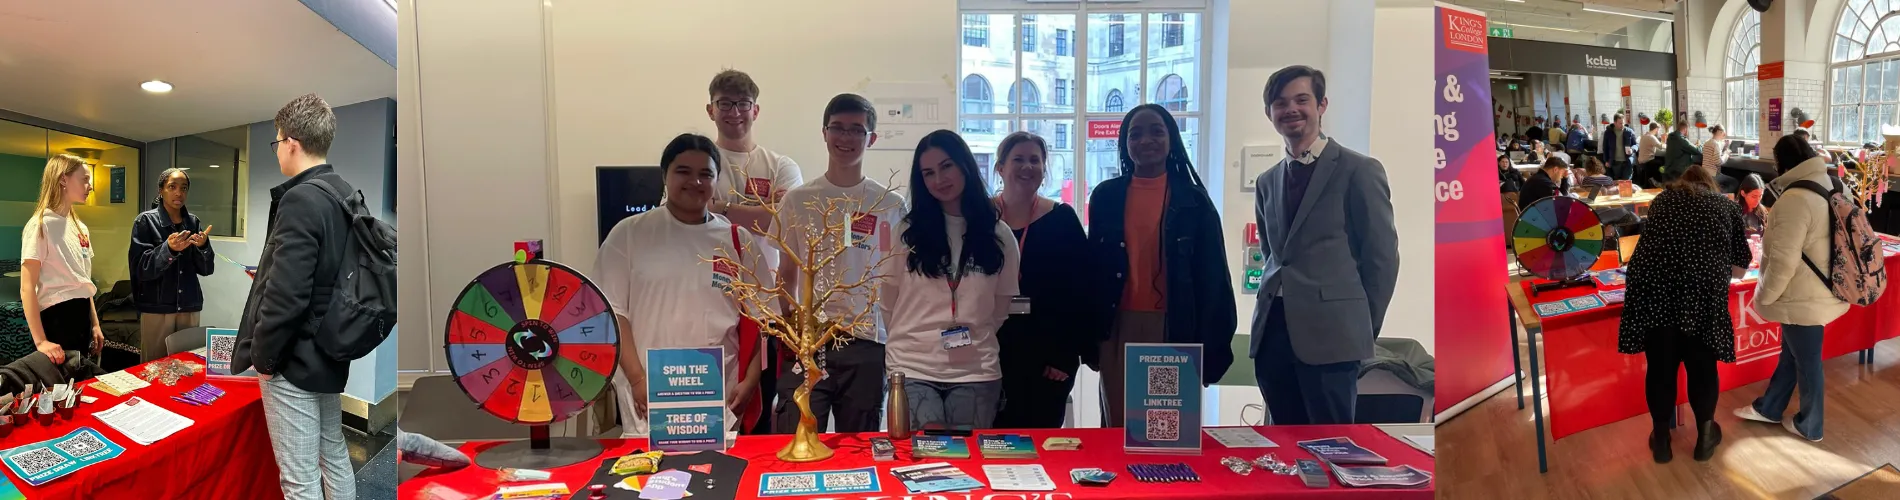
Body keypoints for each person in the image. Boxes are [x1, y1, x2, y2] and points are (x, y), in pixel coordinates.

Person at [596, 133, 772, 439]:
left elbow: (763, 318)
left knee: (718, 477)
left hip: (720, 392)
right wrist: (638, 381)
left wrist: (751, 380)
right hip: (649, 395)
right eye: (683, 172)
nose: (695, 181)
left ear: (717, 181)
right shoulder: (629, 234)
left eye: (706, 174)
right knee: (651, 481)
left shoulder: (737, 240)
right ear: (665, 175)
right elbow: (612, 313)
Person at [1247, 66, 1395, 425]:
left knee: (1333, 448)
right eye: (1280, 103)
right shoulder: (1268, 181)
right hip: (1273, 335)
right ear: (1270, 113)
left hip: (1333, 337)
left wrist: (1359, 326)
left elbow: (1382, 259)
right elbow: (1273, 256)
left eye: (1302, 99)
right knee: (1284, 444)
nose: (1291, 109)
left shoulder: (1359, 170)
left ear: (1322, 105)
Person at [231, 94, 357, 499]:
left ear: (291, 143)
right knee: (333, 452)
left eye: (277, 142)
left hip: (294, 357)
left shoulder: (301, 198)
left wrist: (264, 360)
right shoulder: (343, 191)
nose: (278, 151)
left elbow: (288, 297)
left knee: (299, 476)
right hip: (329, 347)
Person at [1085, 103, 1235, 427]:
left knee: (1163, 428)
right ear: (1125, 143)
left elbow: (1214, 279)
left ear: (1172, 139)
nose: (1146, 139)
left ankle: (1163, 480)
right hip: (1118, 327)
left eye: (1157, 130)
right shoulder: (1105, 196)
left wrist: (1214, 347)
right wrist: (1088, 341)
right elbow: (1091, 272)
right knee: (1119, 427)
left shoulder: (1194, 201)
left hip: (1173, 329)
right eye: (1135, 133)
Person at [770, 94, 906, 435]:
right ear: (824, 133)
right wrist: (791, 329)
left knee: (859, 443)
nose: (846, 138)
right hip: (809, 340)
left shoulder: (888, 204)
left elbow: (897, 277)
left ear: (871, 138)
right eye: (838, 129)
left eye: (856, 130)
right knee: (796, 435)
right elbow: (785, 273)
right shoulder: (798, 200)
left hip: (867, 340)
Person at [879, 130, 1020, 430]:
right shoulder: (907, 232)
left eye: (946, 166)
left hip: (976, 371)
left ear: (965, 165)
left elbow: (999, 309)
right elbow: (888, 303)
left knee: (968, 466)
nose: (939, 179)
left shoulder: (999, 235)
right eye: (928, 173)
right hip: (912, 366)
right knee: (925, 466)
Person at [1620, 157, 1751, 464]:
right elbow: (1740, 269)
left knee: (1661, 372)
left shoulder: (1663, 202)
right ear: (1710, 184)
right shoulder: (1726, 207)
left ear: (1680, 184)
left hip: (1657, 300)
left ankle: (1662, 441)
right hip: (1703, 304)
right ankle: (1705, 439)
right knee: (1703, 371)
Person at [1733, 136, 1846, 443]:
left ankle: (1811, 425)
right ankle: (1769, 407)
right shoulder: (1834, 184)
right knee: (1793, 354)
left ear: (1782, 163)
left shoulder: (1794, 199)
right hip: (1827, 284)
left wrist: (1764, 297)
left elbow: (1783, 261)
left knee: (1807, 361)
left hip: (1802, 296)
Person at [989, 131, 1090, 429]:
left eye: (1035, 160)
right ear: (1000, 168)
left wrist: (1065, 358)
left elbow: (1081, 293)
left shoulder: (1062, 219)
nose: (1027, 166)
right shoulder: (981, 217)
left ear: (1044, 169)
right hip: (987, 355)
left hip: (1046, 361)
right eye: (1018, 159)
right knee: (987, 445)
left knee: (1039, 450)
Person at [20, 154, 102, 367]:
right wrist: (41, 341)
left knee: (81, 386)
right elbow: (27, 287)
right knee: (58, 390)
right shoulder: (40, 225)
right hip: (56, 318)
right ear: (63, 179)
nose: (90, 186)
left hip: (82, 313)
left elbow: (84, 281)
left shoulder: (80, 228)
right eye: (84, 179)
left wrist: (95, 324)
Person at [129, 168, 216, 362]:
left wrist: (203, 247)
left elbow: (206, 269)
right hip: (157, 308)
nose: (179, 193)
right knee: (154, 368)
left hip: (189, 306)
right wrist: (168, 249)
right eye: (172, 187)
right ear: (161, 190)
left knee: (189, 366)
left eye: (183, 188)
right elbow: (140, 269)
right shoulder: (145, 221)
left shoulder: (193, 222)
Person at [704, 69, 802, 232]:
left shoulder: (781, 167)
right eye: (725, 103)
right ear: (710, 111)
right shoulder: (696, 164)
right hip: (707, 258)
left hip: (761, 259)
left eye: (743, 104)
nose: (735, 112)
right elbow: (684, 218)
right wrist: (761, 209)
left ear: (755, 111)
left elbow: (786, 224)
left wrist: (719, 207)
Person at [1600, 114, 1638, 180]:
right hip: (1615, 162)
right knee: (1617, 182)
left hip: (1627, 162)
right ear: (1615, 123)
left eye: (1623, 123)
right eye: (1620, 123)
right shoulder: (1608, 132)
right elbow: (1605, 147)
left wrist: (1632, 149)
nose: (1622, 125)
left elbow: (1636, 145)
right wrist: (1606, 160)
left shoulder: (1629, 131)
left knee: (1626, 183)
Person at [1702, 125, 1737, 193]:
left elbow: (1713, 156)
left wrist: (1723, 149)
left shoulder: (1707, 143)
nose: (1724, 136)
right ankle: (1721, 196)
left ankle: (1718, 194)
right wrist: (1726, 154)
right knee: (1734, 182)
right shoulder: (1715, 144)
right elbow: (1718, 162)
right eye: (1723, 134)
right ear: (1719, 132)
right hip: (1713, 175)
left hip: (1705, 174)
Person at [1738, 174, 1769, 239]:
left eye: (1760, 196)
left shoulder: (1762, 211)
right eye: (1754, 196)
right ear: (1743, 193)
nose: (1757, 200)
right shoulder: (1734, 211)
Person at [1637, 123, 1666, 187]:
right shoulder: (1651, 137)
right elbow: (1661, 146)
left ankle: (1653, 179)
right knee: (1663, 161)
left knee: (1659, 160)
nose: (1658, 131)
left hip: (1641, 161)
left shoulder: (1644, 136)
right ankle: (1657, 181)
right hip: (1647, 161)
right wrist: (1666, 142)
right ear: (1656, 129)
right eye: (1658, 129)